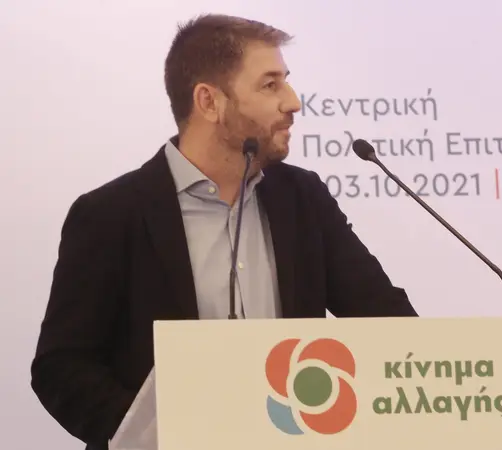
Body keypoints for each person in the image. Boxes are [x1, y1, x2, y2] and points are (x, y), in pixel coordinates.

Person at [30, 13, 418, 450]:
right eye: (270, 85)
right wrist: (159, 435)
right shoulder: (110, 214)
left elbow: (387, 320)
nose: (293, 102)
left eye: (286, 82)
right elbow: (62, 367)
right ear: (209, 102)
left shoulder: (303, 199)